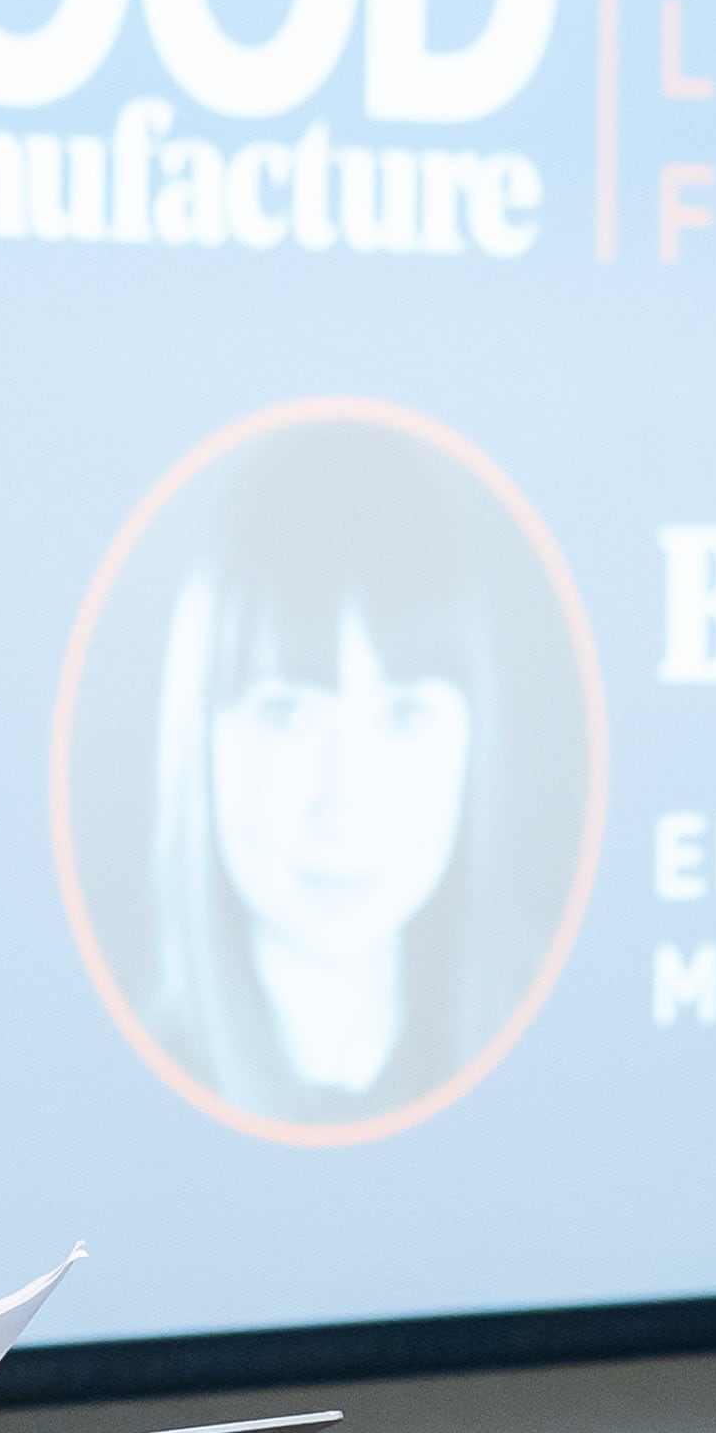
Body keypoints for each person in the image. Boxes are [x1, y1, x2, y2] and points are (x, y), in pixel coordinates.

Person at [129, 419, 545, 1129]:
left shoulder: (554, 1089)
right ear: (199, 741)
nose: (347, 799)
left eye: (405, 716)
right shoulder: (104, 1117)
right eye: (286, 714)